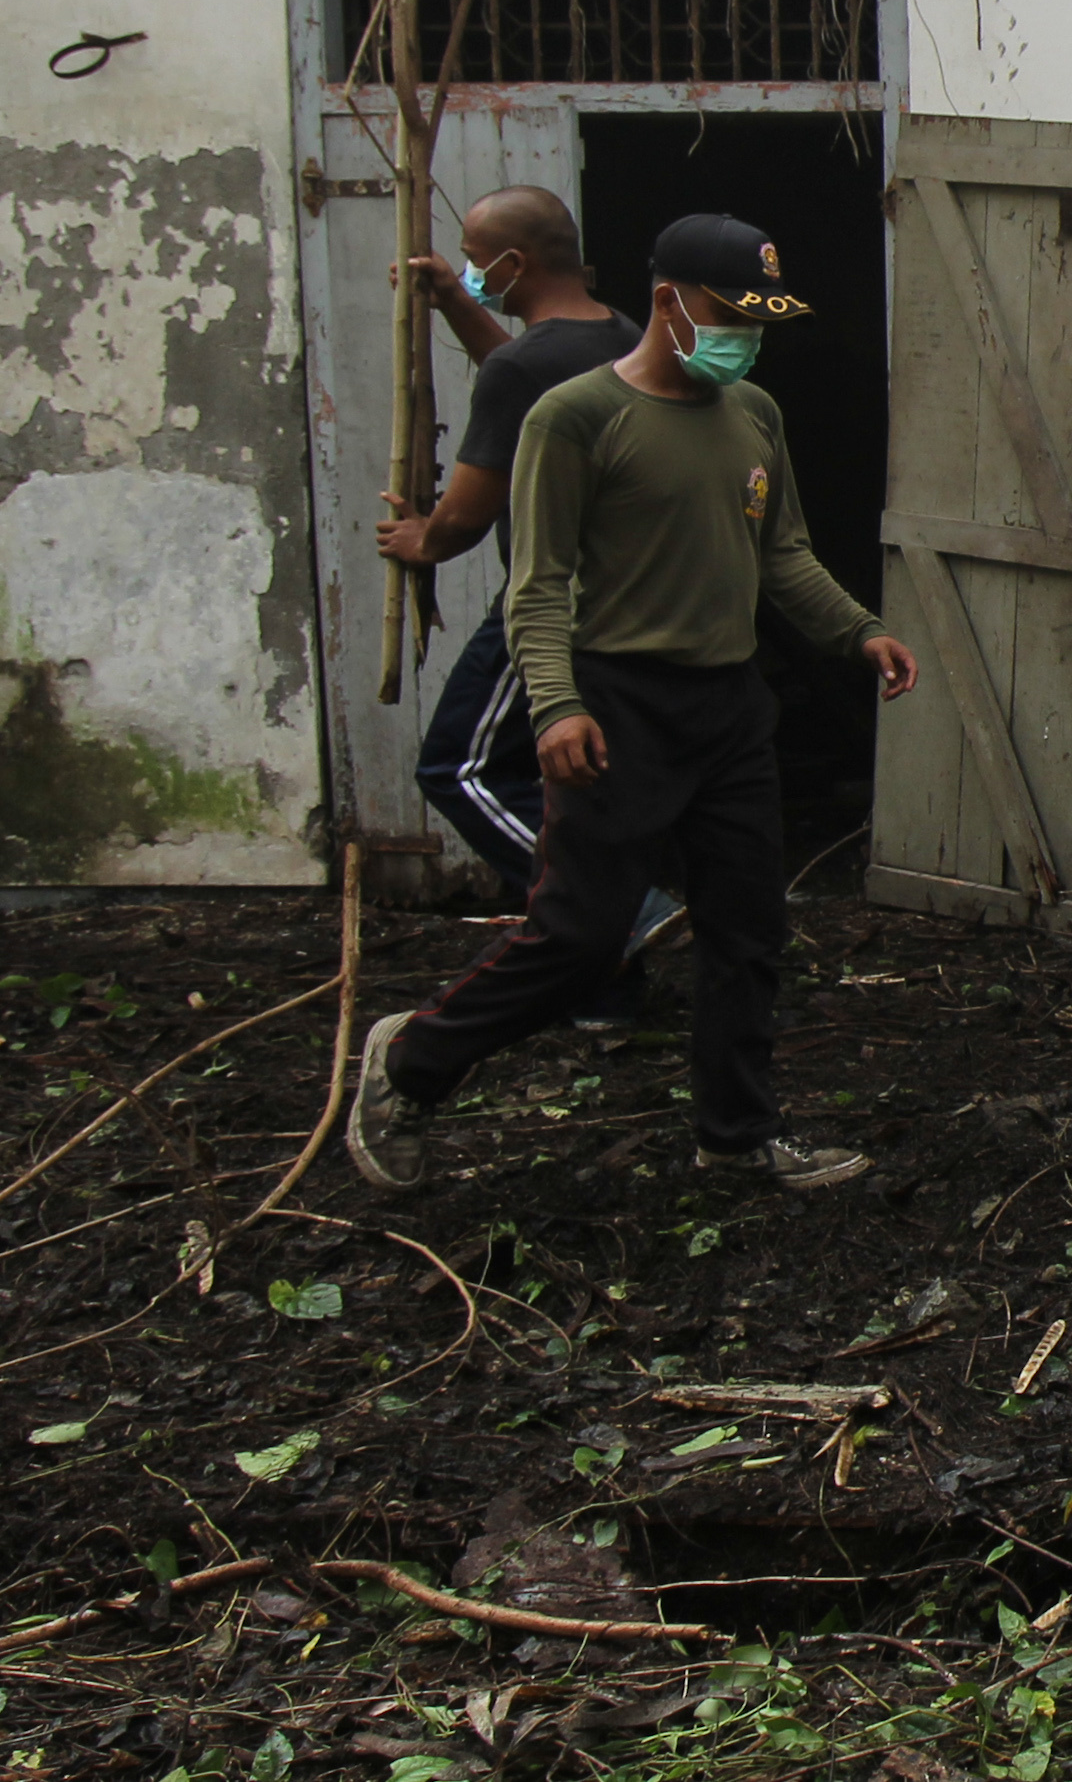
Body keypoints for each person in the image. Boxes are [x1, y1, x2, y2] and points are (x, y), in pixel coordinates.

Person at [348, 213, 915, 1192]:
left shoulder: (754, 415)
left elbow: (780, 554)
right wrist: (558, 705)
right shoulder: (572, 418)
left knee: (748, 932)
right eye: (727, 313)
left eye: (760, 318)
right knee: (580, 938)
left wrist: (857, 630)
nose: (746, 334)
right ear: (666, 300)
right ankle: (410, 1064)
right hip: (619, 705)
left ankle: (736, 1136)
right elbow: (539, 583)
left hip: (730, 707)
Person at [373, 185, 674, 1023]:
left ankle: (625, 911)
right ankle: (607, 984)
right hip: (620, 598)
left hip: (548, 605)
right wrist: (454, 306)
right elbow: (520, 370)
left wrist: (420, 540)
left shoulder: (521, 370)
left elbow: (465, 517)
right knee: (578, 785)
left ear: (513, 264)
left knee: (458, 768)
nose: (471, 272)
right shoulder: (614, 333)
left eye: (476, 261)